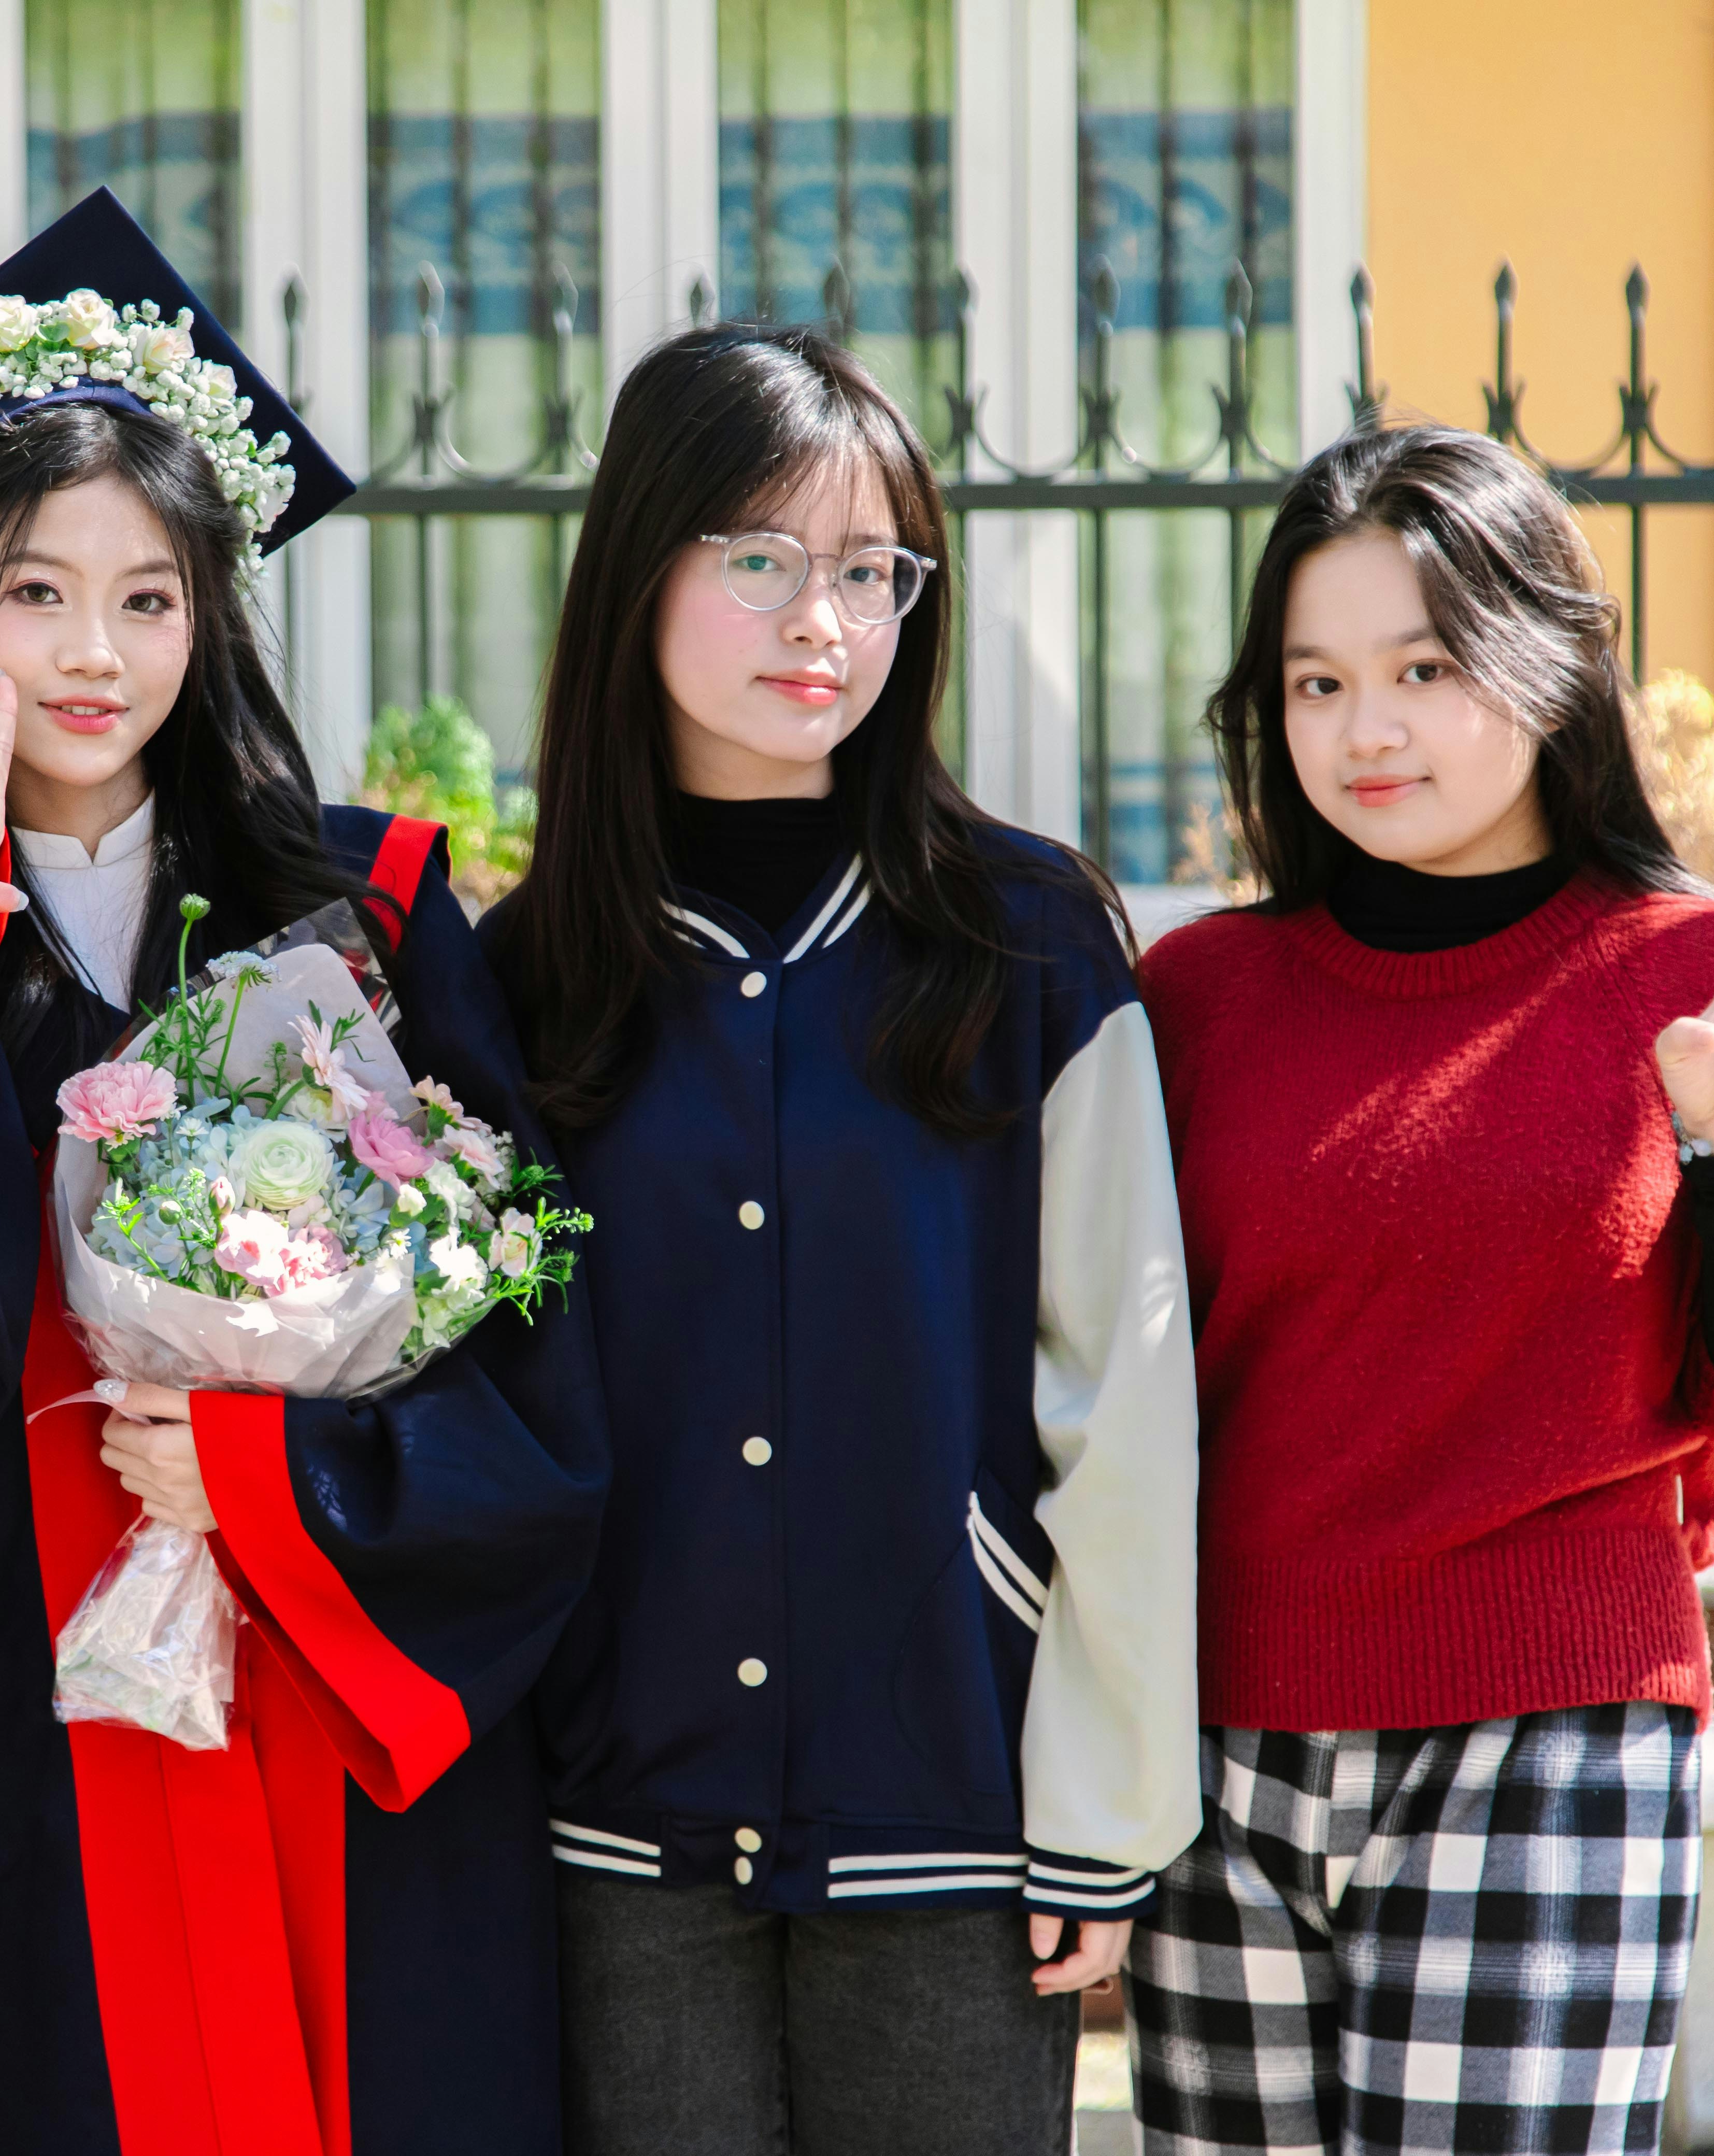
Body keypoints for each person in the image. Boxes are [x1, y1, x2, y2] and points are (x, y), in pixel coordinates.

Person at [0, 188, 608, 2156]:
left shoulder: (373, 914)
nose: (94, 656)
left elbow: (535, 1359)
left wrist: (280, 1475)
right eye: (33, 593)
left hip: (339, 1700)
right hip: (40, 1725)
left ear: (214, 612)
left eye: (149, 596)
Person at [1125, 421, 1714, 2154]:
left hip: (1551, 1740)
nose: (1366, 729)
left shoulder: (1701, 982)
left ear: (1545, 657)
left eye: (1423, 667)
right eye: (1318, 681)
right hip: (1216, 1750)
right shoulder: (1198, 996)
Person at [485, 320, 1202, 2156]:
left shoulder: (1030, 944)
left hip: (951, 1798)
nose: (826, 618)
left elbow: (1122, 1391)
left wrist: (1105, 1803)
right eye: (762, 558)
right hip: (613, 1818)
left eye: (873, 570)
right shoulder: (524, 976)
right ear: (637, 568)